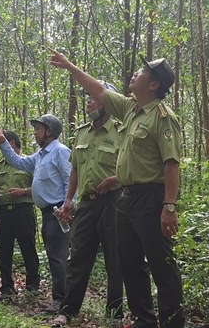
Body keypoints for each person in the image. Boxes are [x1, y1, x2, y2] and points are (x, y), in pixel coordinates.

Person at [49, 48, 185, 328]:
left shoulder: (162, 116)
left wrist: (169, 207)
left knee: (161, 264)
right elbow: (98, 89)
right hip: (126, 200)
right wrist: (69, 66)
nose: (135, 74)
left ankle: (173, 322)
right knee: (131, 262)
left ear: (154, 84)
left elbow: (171, 164)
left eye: (143, 72)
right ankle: (144, 321)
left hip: (151, 198)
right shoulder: (131, 109)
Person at [52, 81, 124, 326]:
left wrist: (115, 178)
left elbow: (132, 165)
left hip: (114, 201)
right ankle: (67, 311)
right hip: (87, 203)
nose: (88, 101)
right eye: (87, 98)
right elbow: (75, 167)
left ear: (108, 102)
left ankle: (115, 313)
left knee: (116, 259)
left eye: (93, 97)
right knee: (78, 257)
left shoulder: (121, 131)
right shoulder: (82, 132)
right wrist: (69, 200)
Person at [0, 114, 74, 313]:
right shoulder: (40, 155)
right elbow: (18, 162)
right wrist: (3, 144)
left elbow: (71, 180)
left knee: (57, 257)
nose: (35, 133)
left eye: (38, 129)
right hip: (47, 213)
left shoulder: (61, 152)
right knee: (54, 255)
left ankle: (60, 301)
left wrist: (68, 206)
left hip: (59, 212)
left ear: (49, 131)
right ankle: (59, 298)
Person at [0, 130, 40, 301]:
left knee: (28, 249)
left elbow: (41, 188)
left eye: (2, 145)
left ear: (11, 143)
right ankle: (7, 288)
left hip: (23, 211)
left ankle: (33, 287)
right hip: (3, 214)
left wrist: (23, 191)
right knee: (4, 251)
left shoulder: (29, 163)